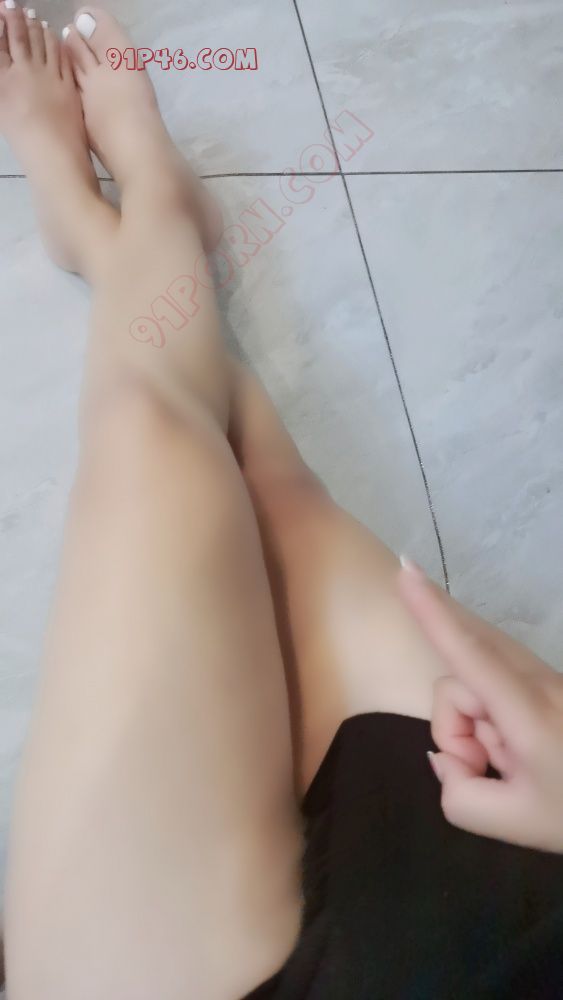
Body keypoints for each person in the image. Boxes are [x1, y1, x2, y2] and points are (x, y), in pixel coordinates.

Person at [0, 5, 561, 998]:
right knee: (274, 499)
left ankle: (130, 221)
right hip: (505, 885)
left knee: (149, 423)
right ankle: (144, 213)